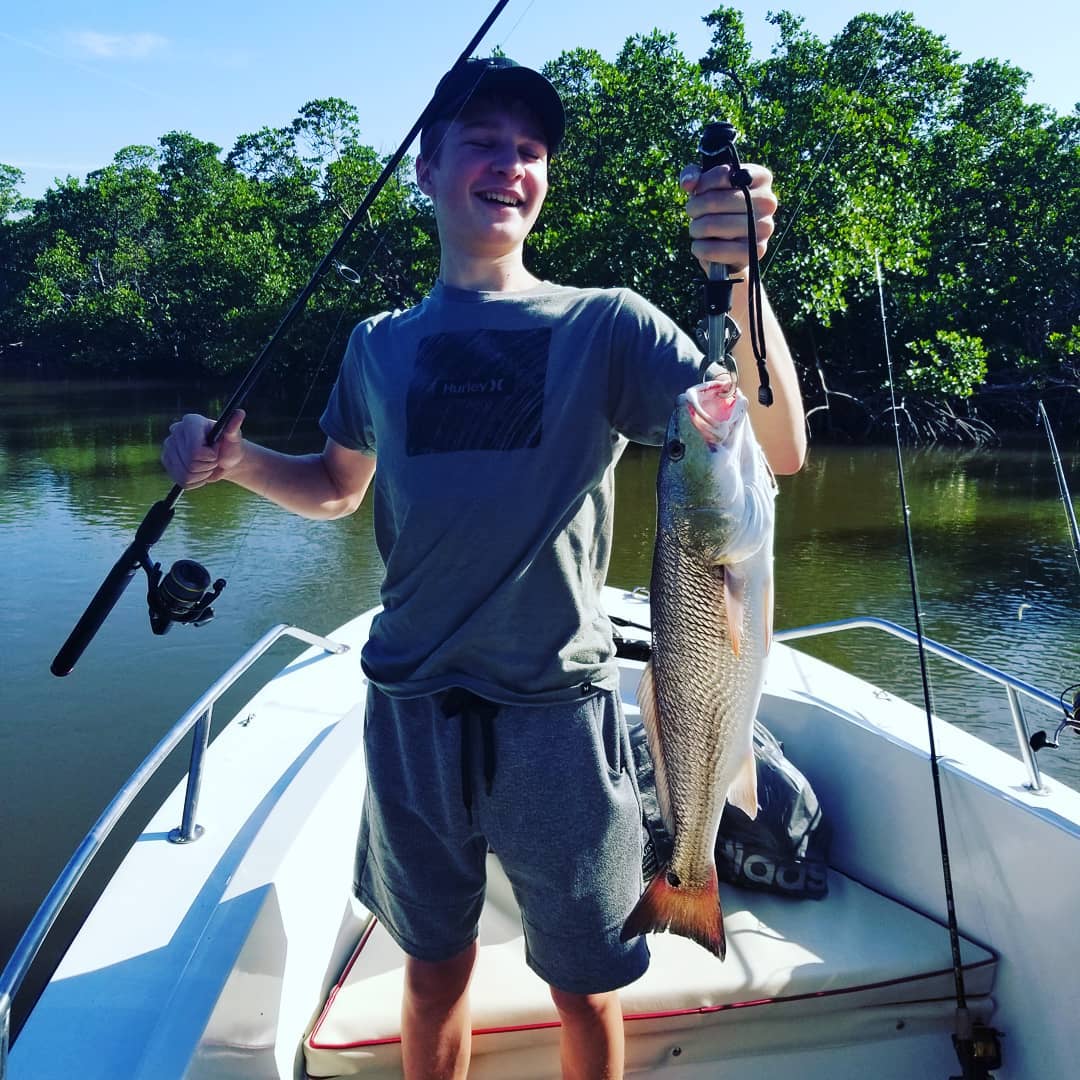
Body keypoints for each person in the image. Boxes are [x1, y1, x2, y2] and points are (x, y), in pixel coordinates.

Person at [162, 56, 805, 1080]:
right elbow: (336, 486)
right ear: (426, 170)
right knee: (430, 971)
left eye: (532, 150)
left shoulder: (608, 323)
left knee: (586, 983)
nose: (512, 165)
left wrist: (746, 276)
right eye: (485, 143)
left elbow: (767, 445)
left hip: (559, 714)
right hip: (411, 710)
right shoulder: (378, 343)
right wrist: (234, 461)